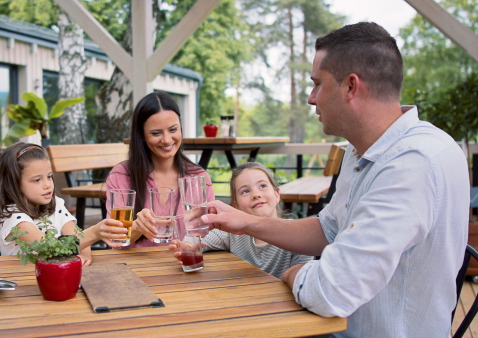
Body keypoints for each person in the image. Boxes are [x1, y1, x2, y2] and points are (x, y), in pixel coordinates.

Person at [200, 22, 470, 337]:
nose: (312, 98)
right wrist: (245, 223)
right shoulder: (364, 152)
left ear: (351, 87)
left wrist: (295, 273)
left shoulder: (411, 164)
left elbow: (332, 290)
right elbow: (328, 229)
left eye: (317, 84)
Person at [106, 91, 215, 247]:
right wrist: (138, 227)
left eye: (173, 130)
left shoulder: (198, 177)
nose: (166, 140)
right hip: (136, 267)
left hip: (183, 266)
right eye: (156, 133)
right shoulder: (121, 176)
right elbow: (115, 241)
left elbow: (210, 235)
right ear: (142, 135)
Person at [0, 142, 128, 265]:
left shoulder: (55, 205)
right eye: (37, 180)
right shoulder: (14, 217)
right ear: (14, 184)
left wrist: (84, 255)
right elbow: (50, 248)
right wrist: (94, 232)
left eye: (49, 176)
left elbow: (77, 236)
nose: (47, 185)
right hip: (22, 284)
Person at [171, 162, 312, 279]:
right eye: (245, 191)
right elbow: (198, 236)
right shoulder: (235, 233)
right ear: (236, 205)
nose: (256, 194)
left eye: (262, 186)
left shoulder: (295, 234)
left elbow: (304, 274)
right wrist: (188, 246)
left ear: (276, 194)